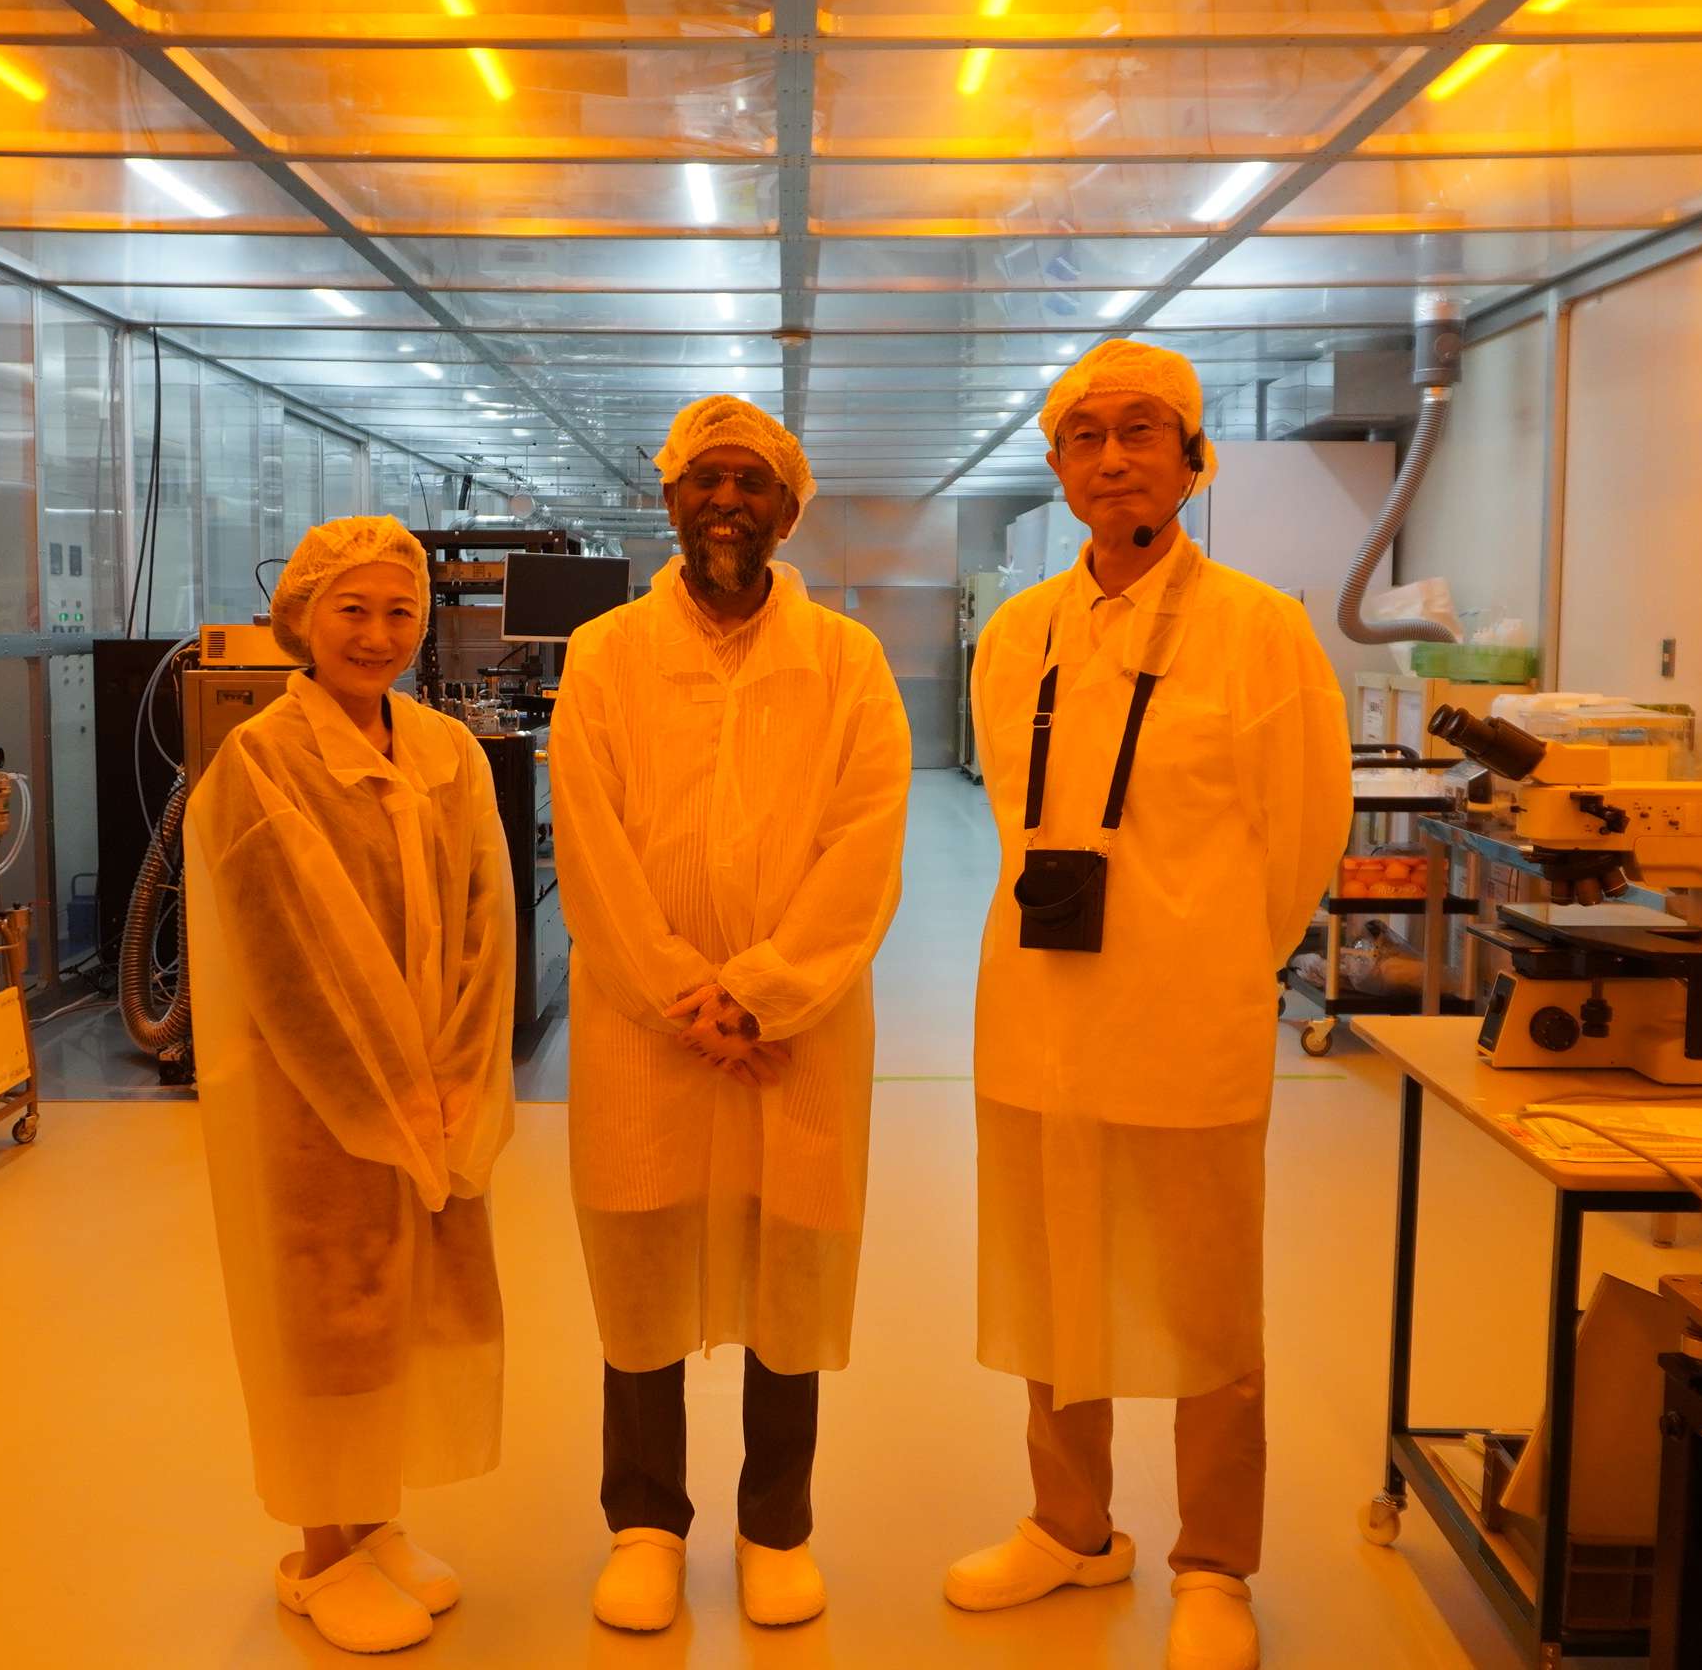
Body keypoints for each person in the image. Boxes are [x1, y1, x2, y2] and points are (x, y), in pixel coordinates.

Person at [945, 341, 1354, 1670]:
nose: (1112, 457)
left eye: (1141, 431)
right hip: (1039, 1007)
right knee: (1052, 1270)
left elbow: (1303, 837)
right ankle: (1070, 1525)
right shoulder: (1019, 633)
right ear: (1058, 465)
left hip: (1188, 1015)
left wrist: (1210, 958)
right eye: (1086, 435)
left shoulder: (1256, 628)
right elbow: (1018, 818)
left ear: (1191, 458)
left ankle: (1213, 1561)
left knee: (1203, 1293)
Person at [549, 395, 912, 1633]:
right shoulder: (604, 653)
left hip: (796, 1025)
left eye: (752, 482)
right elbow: (588, 843)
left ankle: (775, 1522)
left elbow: (866, 842)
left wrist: (760, 994)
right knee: (640, 1251)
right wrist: (676, 992)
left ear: (788, 510)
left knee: (787, 1263)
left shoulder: (846, 660)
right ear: (668, 499)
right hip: (638, 1020)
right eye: (705, 478)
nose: (726, 500)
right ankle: (644, 1519)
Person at [183, 516, 516, 1656]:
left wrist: (458, 1078)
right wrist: (386, 1100)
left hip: (436, 1088)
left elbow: (487, 923)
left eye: (399, 612)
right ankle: (320, 1552)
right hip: (316, 1101)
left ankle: (374, 1522)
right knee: (330, 1316)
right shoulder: (260, 762)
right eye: (352, 610)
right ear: (302, 618)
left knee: (404, 1309)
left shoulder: (446, 752)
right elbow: (290, 965)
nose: (377, 635)